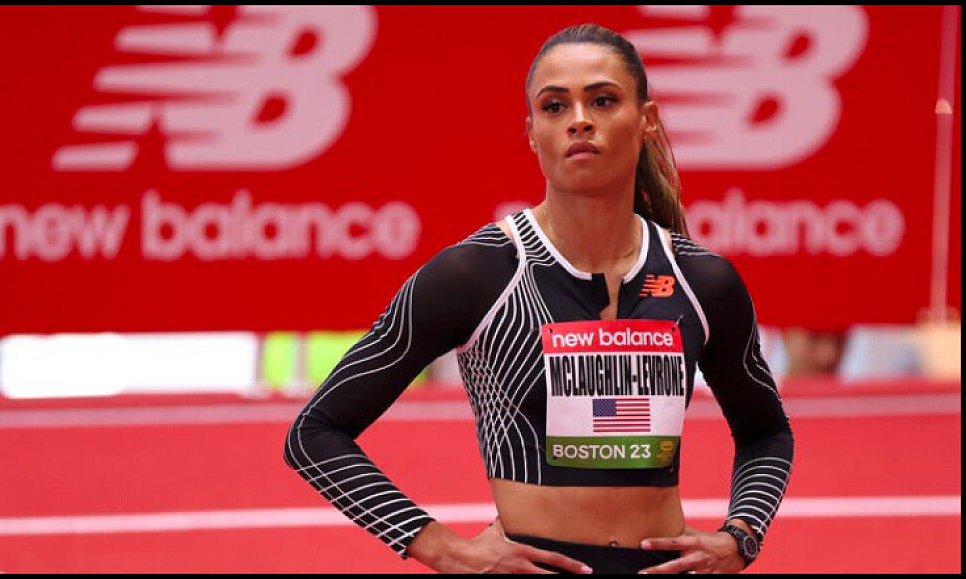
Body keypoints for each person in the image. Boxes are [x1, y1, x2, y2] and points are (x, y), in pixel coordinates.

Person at [284, 24, 794, 574]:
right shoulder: (477, 274)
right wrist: (446, 551)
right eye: (555, 106)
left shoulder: (702, 280)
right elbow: (314, 434)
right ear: (531, 132)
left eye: (603, 100)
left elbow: (767, 433)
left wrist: (742, 536)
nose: (579, 120)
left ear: (647, 119)